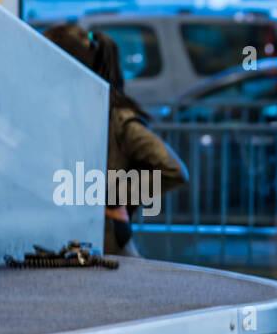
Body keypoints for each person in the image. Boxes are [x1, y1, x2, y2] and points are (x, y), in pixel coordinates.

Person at [44, 24, 187, 255]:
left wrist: (108, 197)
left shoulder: (117, 119)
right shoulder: (70, 116)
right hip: (77, 243)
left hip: (108, 247)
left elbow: (172, 170)